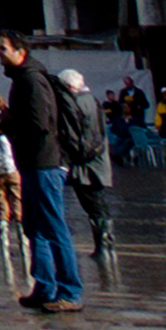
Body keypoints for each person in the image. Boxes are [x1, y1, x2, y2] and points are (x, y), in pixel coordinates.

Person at [0, 34, 84, 314]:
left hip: (44, 162)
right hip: (32, 162)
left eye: (3, 48)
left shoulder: (31, 80)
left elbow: (39, 123)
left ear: (20, 51)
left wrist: (7, 126)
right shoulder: (22, 79)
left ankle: (70, 291)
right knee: (34, 226)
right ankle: (45, 287)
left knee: (53, 225)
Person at [56, 68, 115, 263]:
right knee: (99, 206)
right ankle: (105, 245)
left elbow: (79, 137)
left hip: (86, 165)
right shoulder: (92, 100)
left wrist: (74, 156)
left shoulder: (77, 103)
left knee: (95, 206)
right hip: (95, 162)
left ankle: (104, 247)